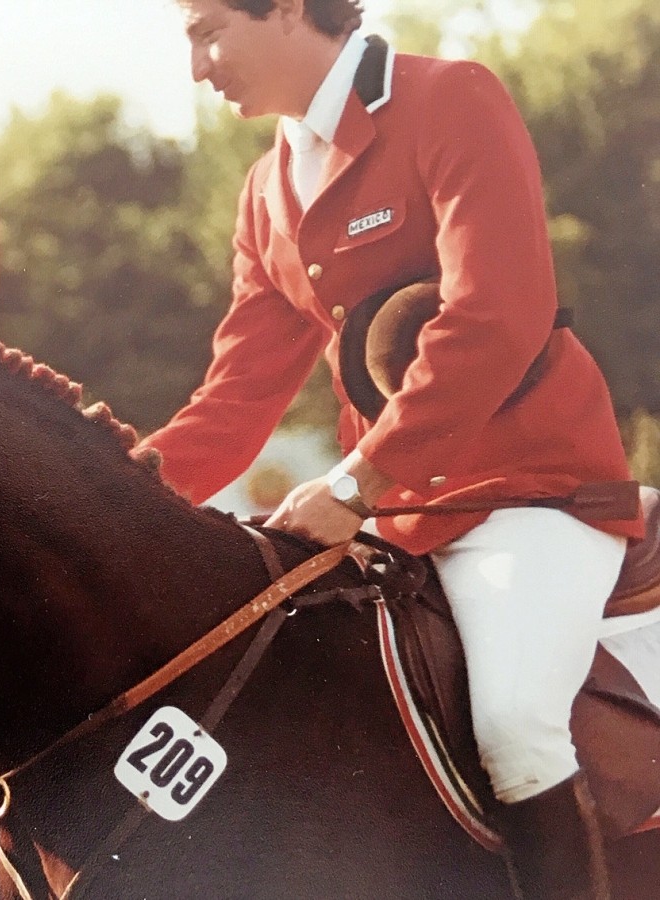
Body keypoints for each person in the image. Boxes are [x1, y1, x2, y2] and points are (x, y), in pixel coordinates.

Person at [139, 1, 643, 897]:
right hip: (393, 519)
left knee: (517, 725)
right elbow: (235, 397)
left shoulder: (452, 101)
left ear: (289, 9)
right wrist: (108, 490)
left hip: (532, 494)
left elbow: (498, 317)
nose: (196, 66)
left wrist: (359, 482)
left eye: (209, 30)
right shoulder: (265, 192)